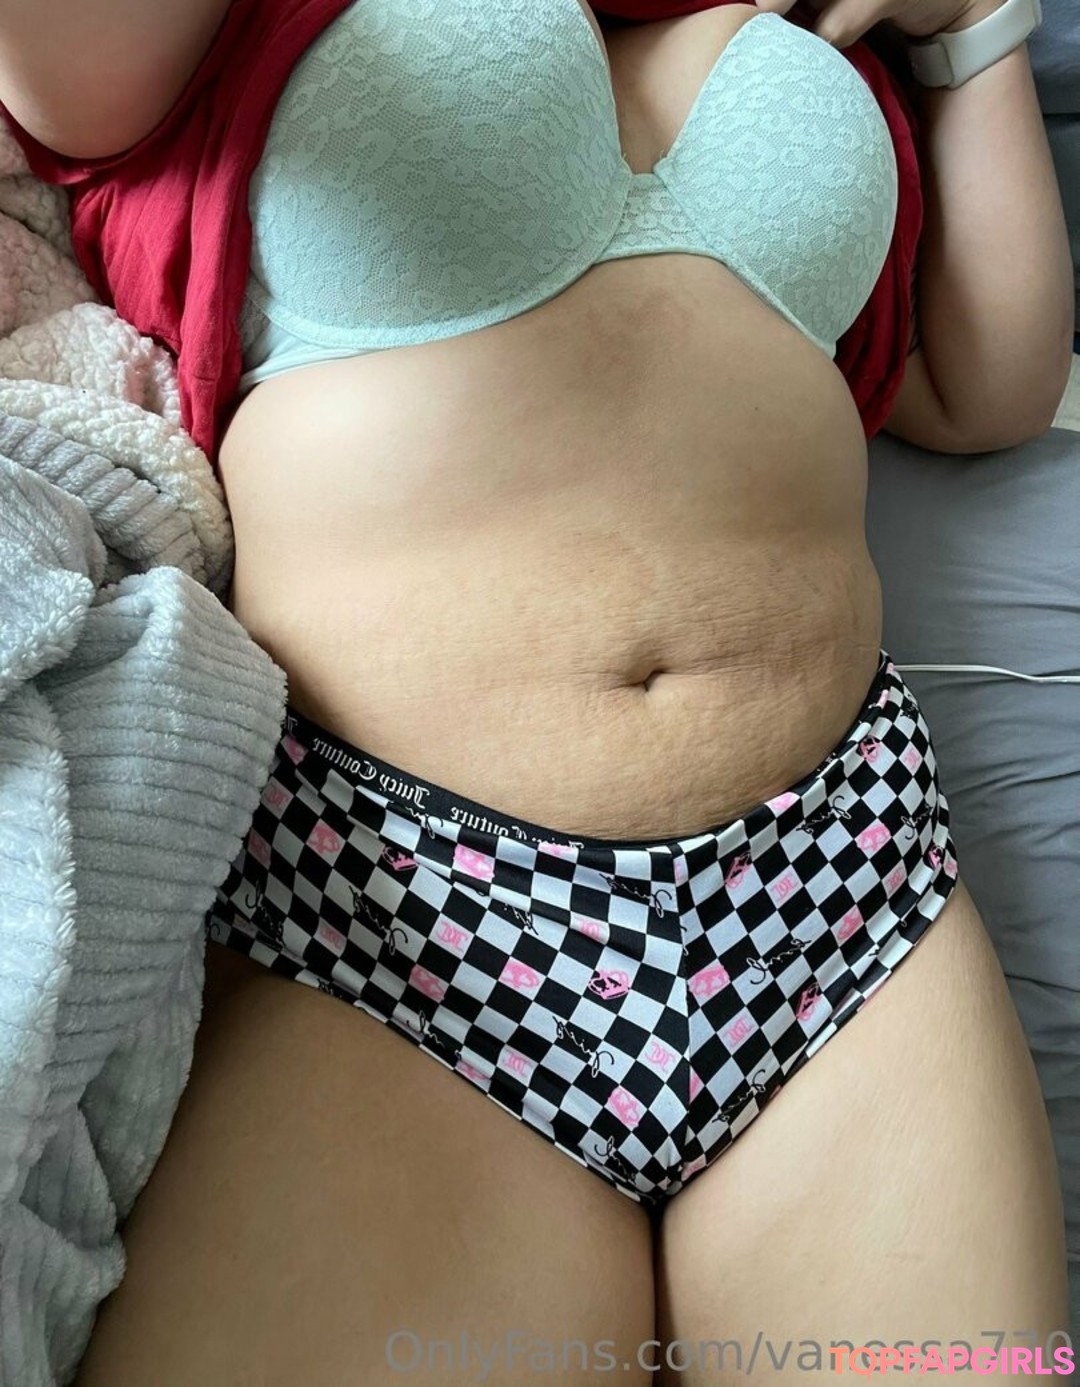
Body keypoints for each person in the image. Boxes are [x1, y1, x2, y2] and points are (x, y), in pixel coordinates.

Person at [0, 0, 1072, 1382]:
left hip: (838, 883)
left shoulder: (822, 34)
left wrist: (975, 31)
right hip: (405, 919)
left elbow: (987, 389)